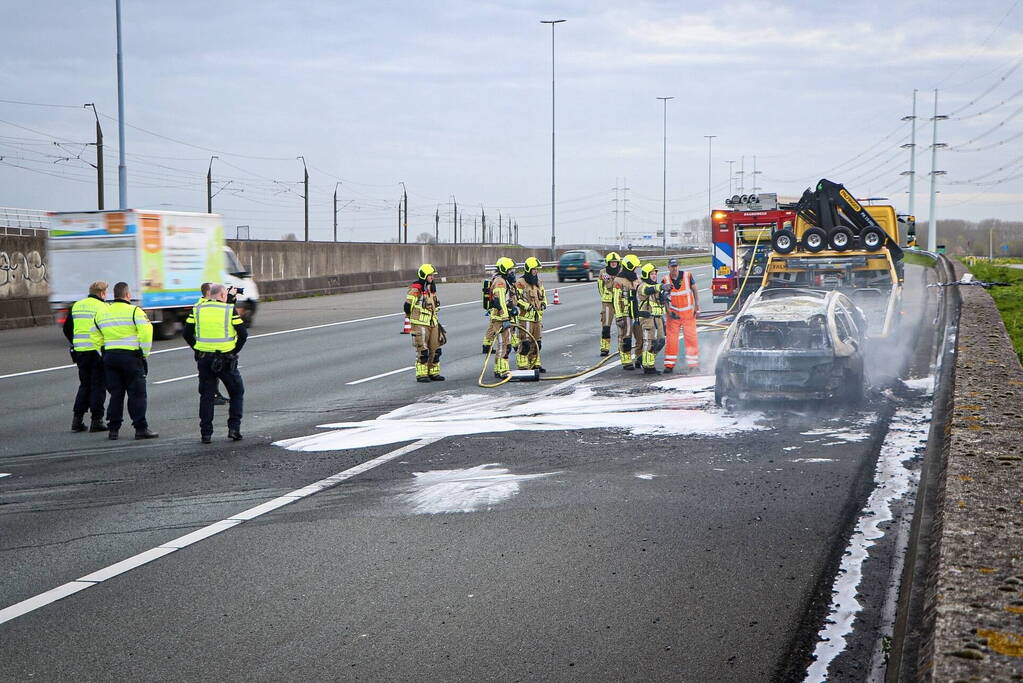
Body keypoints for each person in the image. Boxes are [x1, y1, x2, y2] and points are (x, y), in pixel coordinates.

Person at [184, 283, 247, 443]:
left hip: (204, 358)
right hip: (225, 358)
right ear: (222, 295)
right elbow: (243, 334)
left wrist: (197, 348)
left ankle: (206, 434)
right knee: (236, 392)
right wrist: (233, 351)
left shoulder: (197, 309)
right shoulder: (228, 310)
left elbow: (187, 333)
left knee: (206, 396)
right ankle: (234, 429)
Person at [96, 282, 157, 440]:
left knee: (116, 393)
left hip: (110, 357)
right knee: (136, 394)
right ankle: (140, 428)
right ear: (128, 295)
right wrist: (144, 353)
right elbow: (146, 331)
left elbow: (94, 335)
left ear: (113, 295)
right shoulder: (135, 311)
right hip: (131, 357)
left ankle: (113, 430)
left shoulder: (102, 312)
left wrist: (103, 350)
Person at [63, 280, 109, 432]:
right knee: (98, 386)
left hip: (80, 351)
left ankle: (77, 420)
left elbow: (67, 328)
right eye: (106, 293)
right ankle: (97, 420)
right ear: (102, 293)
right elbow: (106, 329)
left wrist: (75, 342)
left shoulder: (77, 305)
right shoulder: (103, 307)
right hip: (97, 352)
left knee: (85, 385)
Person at [404, 264, 445, 382]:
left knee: (436, 348)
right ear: (424, 275)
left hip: (432, 323)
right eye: (430, 275)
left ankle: (433, 372)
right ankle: (422, 374)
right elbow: (407, 306)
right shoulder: (416, 289)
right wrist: (412, 321)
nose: (432, 277)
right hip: (419, 323)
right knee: (423, 350)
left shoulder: (431, 288)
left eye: (432, 275)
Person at [663, 258, 701, 374]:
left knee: (691, 340)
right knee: (671, 341)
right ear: (668, 267)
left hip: (688, 315)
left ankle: (693, 365)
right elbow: (663, 297)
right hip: (673, 316)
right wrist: (668, 311)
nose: (674, 269)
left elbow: (695, 290)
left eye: (676, 266)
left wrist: (697, 306)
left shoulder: (687, 276)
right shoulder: (665, 280)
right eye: (672, 266)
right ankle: (669, 365)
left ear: (678, 266)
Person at [195, 282, 230, 405]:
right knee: (207, 377)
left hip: (209, 346)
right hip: (204, 347)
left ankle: (216, 394)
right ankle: (211, 396)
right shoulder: (201, 305)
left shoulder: (206, 304)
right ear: (208, 293)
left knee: (213, 375)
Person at [483, 257, 517, 378]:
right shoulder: (500, 282)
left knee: (505, 344)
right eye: (510, 270)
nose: (513, 273)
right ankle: (502, 370)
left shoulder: (505, 281)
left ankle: (500, 368)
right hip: (500, 319)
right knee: (504, 345)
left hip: (504, 317)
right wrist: (505, 317)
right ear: (504, 270)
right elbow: (501, 301)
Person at [515, 256, 548, 372]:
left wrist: (544, 303)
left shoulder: (538, 282)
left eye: (537, 269)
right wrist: (526, 306)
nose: (536, 271)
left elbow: (543, 296)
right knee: (526, 344)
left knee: (537, 343)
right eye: (534, 269)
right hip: (526, 318)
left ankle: (535, 363)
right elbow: (516, 299)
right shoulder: (520, 283)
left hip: (537, 318)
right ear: (528, 269)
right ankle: (522, 363)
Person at [636, 263, 668, 374]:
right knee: (650, 342)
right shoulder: (643, 286)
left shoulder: (656, 287)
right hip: (648, 318)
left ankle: (642, 359)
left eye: (655, 274)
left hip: (658, 318)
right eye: (652, 274)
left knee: (661, 341)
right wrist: (660, 286)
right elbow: (648, 290)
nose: (654, 276)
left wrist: (665, 294)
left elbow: (661, 302)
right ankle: (648, 366)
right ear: (646, 275)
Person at [612, 254, 642, 370]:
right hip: (625, 313)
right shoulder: (618, 280)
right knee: (626, 337)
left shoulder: (636, 278)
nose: (636, 270)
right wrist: (619, 316)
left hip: (636, 312)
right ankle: (626, 360)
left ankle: (639, 358)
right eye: (635, 267)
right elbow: (616, 300)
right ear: (629, 266)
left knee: (640, 337)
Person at [597, 252, 621, 356]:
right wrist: (605, 296)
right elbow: (600, 286)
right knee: (606, 326)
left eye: (615, 262)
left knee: (622, 325)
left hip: (620, 301)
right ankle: (604, 348)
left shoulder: (622, 271)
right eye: (612, 262)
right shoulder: (603, 272)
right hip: (608, 302)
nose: (614, 264)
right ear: (608, 262)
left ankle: (622, 347)